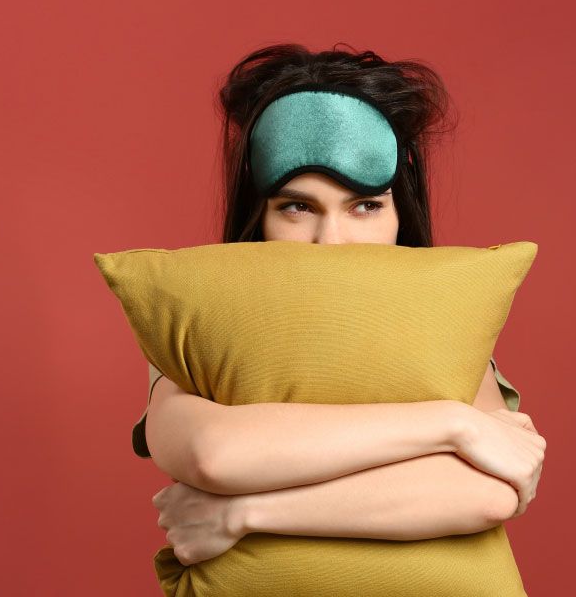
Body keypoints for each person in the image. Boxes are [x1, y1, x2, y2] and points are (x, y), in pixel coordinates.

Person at [140, 43, 545, 594]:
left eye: (365, 206)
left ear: (401, 214)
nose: (330, 241)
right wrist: (454, 424)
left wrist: (244, 513)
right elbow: (214, 454)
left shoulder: (442, 328)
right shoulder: (203, 324)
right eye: (297, 207)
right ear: (259, 217)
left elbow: (485, 492)